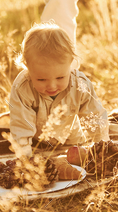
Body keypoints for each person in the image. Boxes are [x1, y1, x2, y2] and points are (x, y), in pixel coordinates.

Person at [9, 22, 110, 157]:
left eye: (60, 77)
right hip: (36, 143)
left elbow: (95, 117)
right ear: (27, 67)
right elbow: (21, 126)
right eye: (41, 79)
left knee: (78, 164)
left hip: (72, 141)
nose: (51, 86)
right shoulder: (22, 89)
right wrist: (25, 157)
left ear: (70, 63)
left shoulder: (80, 85)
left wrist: (103, 147)